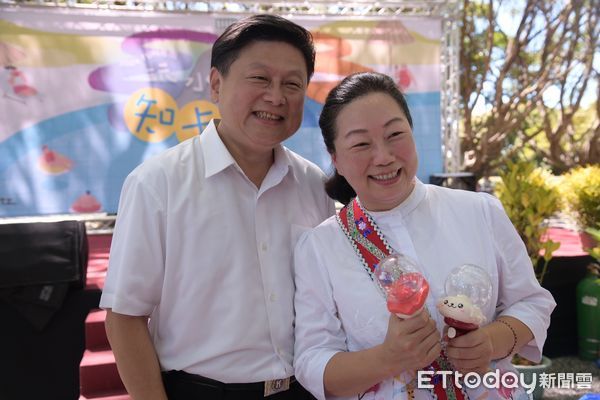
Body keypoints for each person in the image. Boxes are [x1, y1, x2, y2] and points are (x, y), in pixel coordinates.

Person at [100, 14, 335, 400]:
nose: (276, 97)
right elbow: (124, 317)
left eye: (292, 84)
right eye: (260, 78)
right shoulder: (157, 184)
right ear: (215, 84)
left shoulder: (314, 184)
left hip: (303, 388)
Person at [293, 72, 556, 400]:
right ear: (335, 158)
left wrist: (491, 342)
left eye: (395, 134)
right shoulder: (320, 247)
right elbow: (312, 360)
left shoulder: (480, 211)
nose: (384, 156)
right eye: (361, 144)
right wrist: (387, 359)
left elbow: (531, 302)